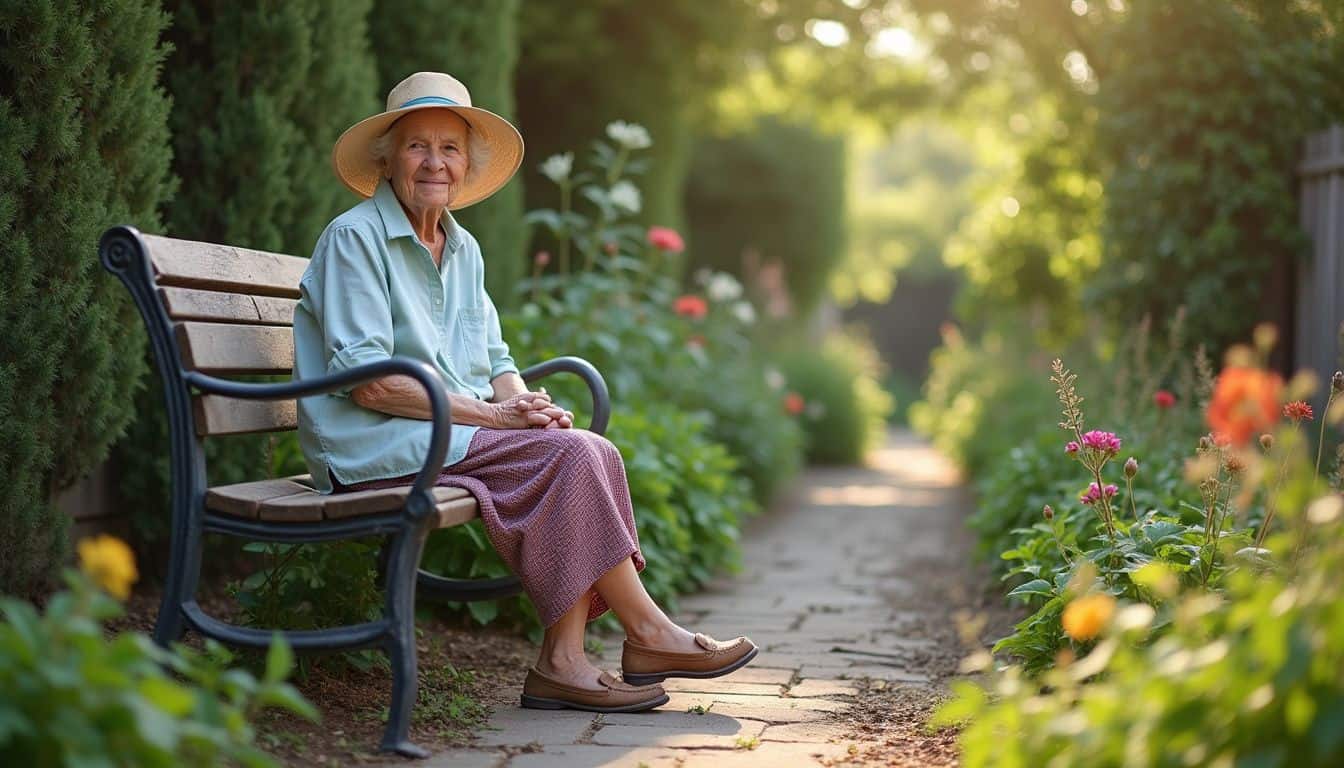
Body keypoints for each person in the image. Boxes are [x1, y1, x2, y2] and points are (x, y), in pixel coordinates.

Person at [292, 72, 756, 713]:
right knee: (571, 455)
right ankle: (637, 637)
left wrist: (523, 403)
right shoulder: (356, 239)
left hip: (446, 430)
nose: (434, 162)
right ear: (388, 157)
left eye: (449, 148)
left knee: (580, 445)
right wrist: (495, 413)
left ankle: (579, 657)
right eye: (417, 145)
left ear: (465, 164)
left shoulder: (463, 246)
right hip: (371, 444)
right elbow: (372, 384)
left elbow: (495, 357)